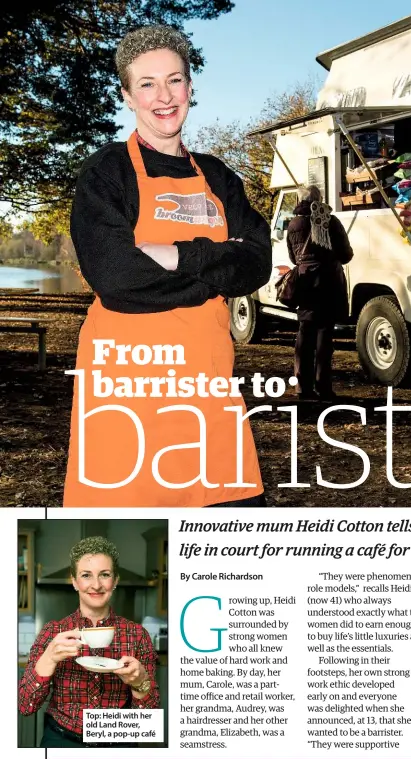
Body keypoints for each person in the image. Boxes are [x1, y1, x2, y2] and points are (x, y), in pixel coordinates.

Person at [63, 25, 271, 507]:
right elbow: (116, 278)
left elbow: (257, 263)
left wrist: (179, 255)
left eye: (175, 80)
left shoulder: (218, 176)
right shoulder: (106, 172)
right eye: (147, 84)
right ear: (127, 96)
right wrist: (217, 271)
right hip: (128, 391)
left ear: (191, 88)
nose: (164, 96)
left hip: (208, 388)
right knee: (132, 557)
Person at [18, 537, 158, 748]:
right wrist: (49, 658)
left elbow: (148, 720)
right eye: (86, 575)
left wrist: (140, 683)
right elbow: (25, 706)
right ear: (74, 581)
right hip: (61, 741)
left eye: (105, 575)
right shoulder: (53, 632)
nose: (96, 585)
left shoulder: (138, 635)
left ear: (115, 580)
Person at [286, 186, 353, 400]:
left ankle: (302, 387)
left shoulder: (293, 224)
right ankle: (323, 387)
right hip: (329, 283)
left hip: (305, 283)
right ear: (319, 200)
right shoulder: (330, 222)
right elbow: (346, 254)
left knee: (304, 334)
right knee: (325, 335)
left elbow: (292, 257)